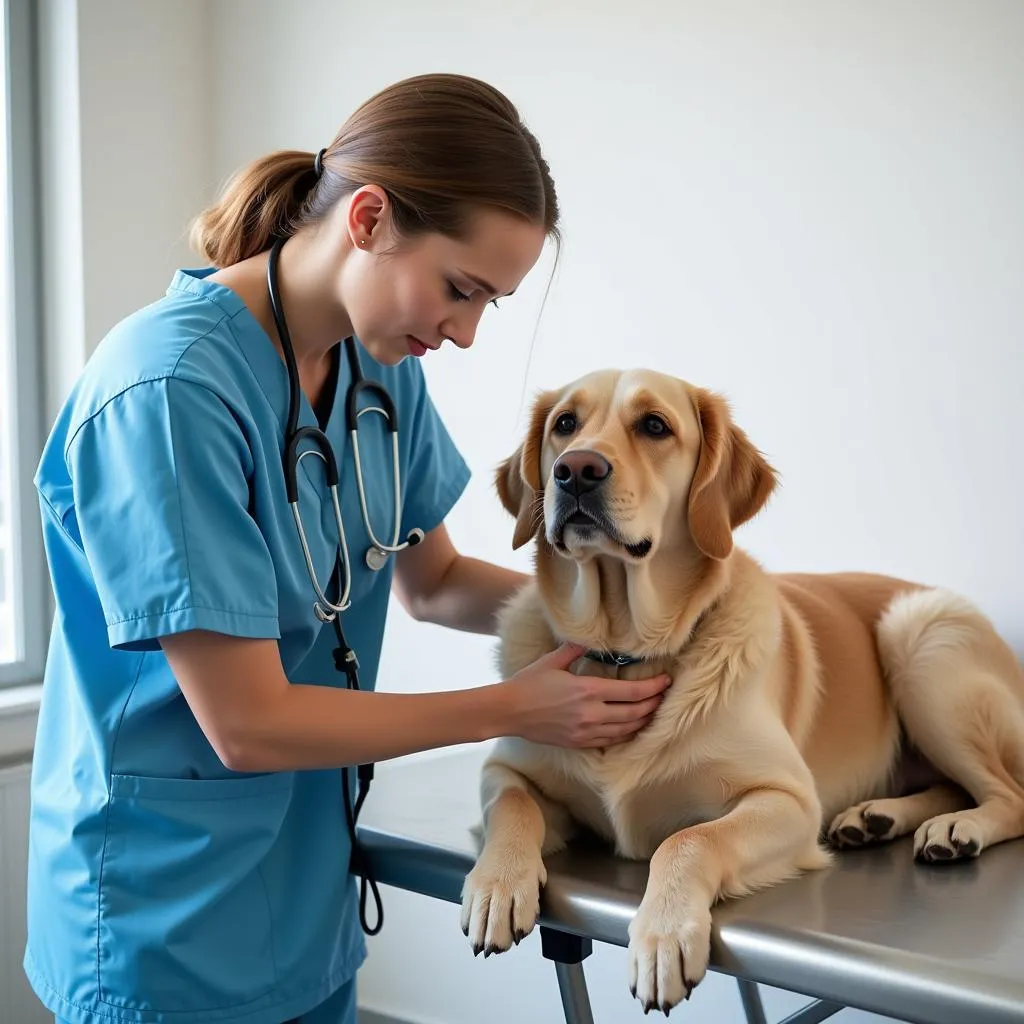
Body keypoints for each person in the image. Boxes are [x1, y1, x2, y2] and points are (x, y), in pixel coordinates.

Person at [24, 73, 673, 1024]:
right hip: (160, 913)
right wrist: (517, 707)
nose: (462, 332)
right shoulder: (166, 391)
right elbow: (246, 725)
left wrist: (641, 627)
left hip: (304, 885)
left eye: (489, 303)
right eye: (460, 289)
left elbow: (436, 581)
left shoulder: (378, 366)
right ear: (368, 218)